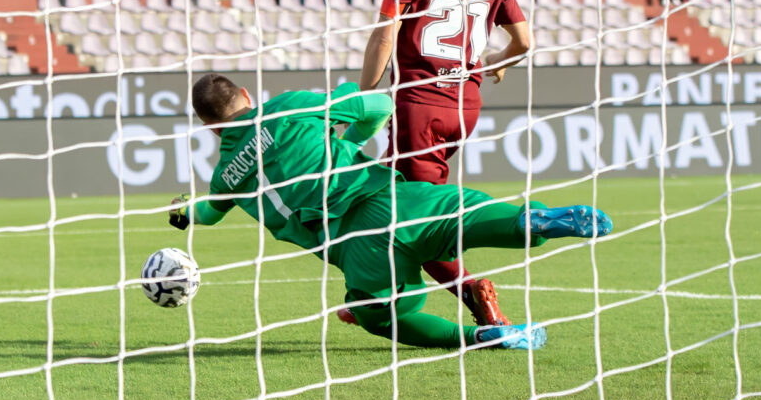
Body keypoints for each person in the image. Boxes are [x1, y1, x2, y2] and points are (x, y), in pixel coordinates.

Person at [171, 74, 614, 350]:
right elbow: (379, 105)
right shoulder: (290, 107)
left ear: (208, 126)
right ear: (246, 94)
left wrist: (186, 212)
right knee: (466, 215)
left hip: (354, 247)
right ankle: (533, 220)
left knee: (381, 317)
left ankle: (482, 336)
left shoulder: (226, 177)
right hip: (387, 197)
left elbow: (209, 213)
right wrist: (353, 139)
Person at [359, 0, 532, 328]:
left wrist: (360, 99)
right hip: (464, 105)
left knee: (414, 219)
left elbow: (383, 36)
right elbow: (524, 40)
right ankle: (377, 296)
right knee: (384, 200)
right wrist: (489, 67)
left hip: (420, 104)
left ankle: (475, 292)